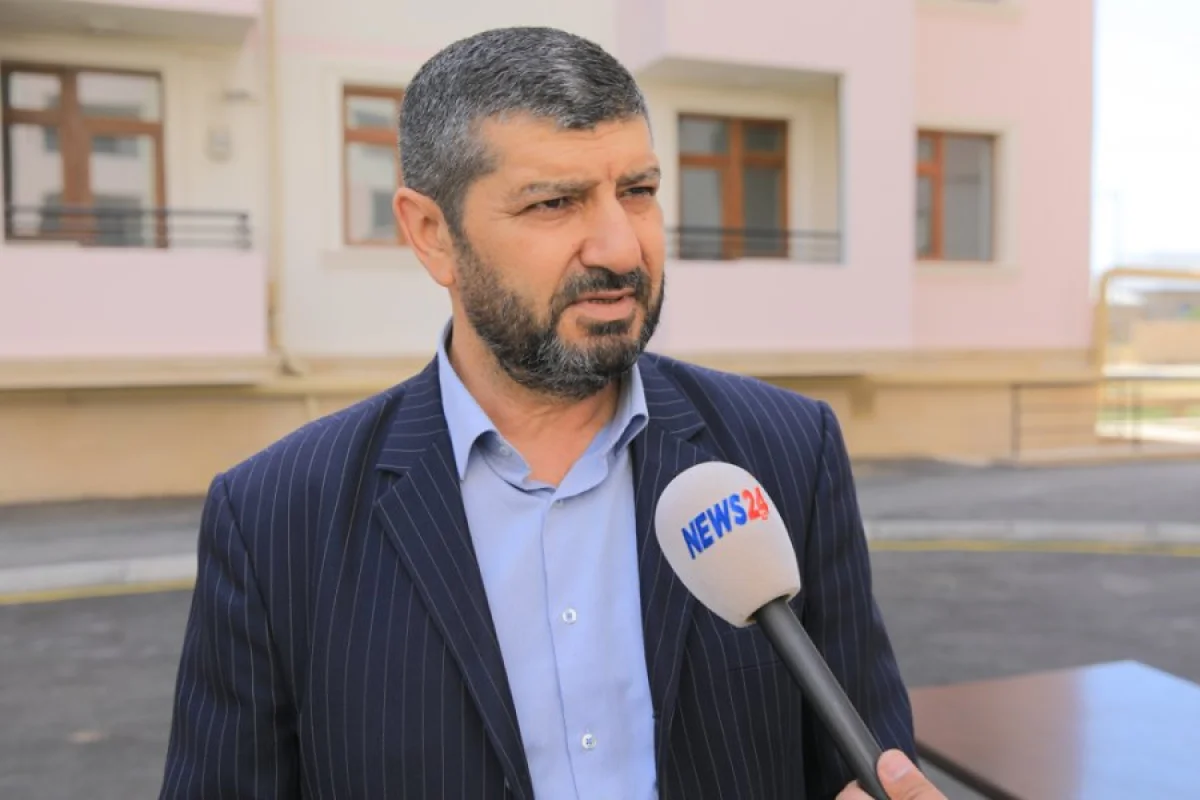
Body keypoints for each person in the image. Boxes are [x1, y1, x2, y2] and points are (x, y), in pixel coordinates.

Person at [159, 25, 924, 800]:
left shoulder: (788, 452)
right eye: (555, 202)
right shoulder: (276, 519)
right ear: (432, 234)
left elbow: (864, 760)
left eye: (638, 191)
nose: (620, 249)